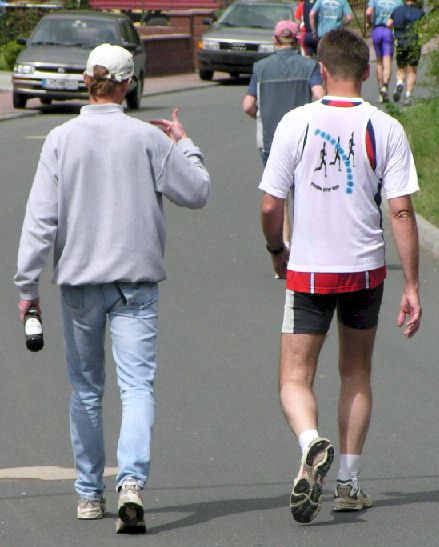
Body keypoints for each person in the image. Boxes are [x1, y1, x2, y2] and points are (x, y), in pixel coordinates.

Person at [14, 43, 210, 533]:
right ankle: (131, 483)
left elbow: (40, 220)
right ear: (126, 85)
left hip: (80, 281)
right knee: (137, 386)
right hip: (135, 281)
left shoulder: (59, 139)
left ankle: (87, 493)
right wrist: (184, 143)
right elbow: (197, 191)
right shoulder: (147, 139)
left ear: (86, 81)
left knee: (85, 390)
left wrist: (27, 285)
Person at [259, 28, 421, 525]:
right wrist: (412, 284)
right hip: (364, 270)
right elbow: (400, 213)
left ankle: (311, 443)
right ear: (369, 72)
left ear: (322, 71)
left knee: (293, 377)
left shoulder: (296, 123)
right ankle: (348, 483)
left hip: (309, 270)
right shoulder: (385, 127)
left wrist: (275, 248)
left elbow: (271, 203)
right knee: (356, 373)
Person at [242, 20, 324, 248]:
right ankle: (303, 246)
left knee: (278, 196)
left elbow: (248, 105)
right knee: (304, 193)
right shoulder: (309, 66)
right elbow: (319, 95)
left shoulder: (261, 68)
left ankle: (284, 245)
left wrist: (263, 116)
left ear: (275, 39)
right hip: (305, 141)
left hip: (271, 141)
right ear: (297, 40)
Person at [387, 0, 425, 105]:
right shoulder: (420, 12)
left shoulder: (397, 10)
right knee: (412, 70)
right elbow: (424, 28)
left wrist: (394, 32)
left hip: (401, 42)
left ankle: (399, 83)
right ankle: (408, 96)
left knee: (401, 67)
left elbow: (389, 23)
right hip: (414, 43)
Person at [366, 0, 403, 103]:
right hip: (388, 31)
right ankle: (384, 88)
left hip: (377, 30)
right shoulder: (398, 1)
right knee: (387, 62)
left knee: (379, 62)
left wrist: (369, 22)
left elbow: (368, 12)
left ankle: (380, 91)